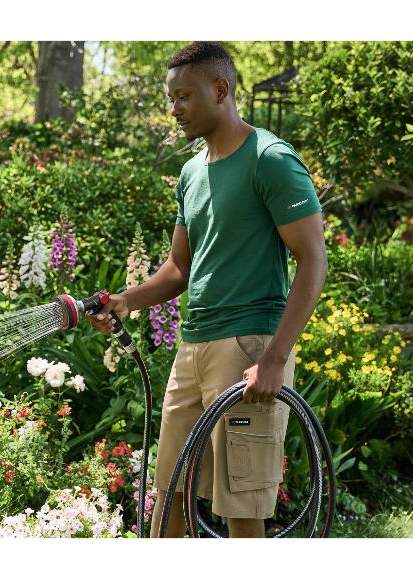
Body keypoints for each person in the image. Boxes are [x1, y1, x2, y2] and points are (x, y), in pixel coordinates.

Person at [86, 41, 327, 538]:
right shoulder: (191, 172)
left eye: (183, 97)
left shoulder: (271, 159)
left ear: (220, 90)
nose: (174, 109)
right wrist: (128, 299)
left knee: (241, 506)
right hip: (192, 349)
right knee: (169, 492)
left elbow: (313, 261)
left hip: (248, 348)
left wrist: (277, 358)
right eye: (170, 98)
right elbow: (179, 267)